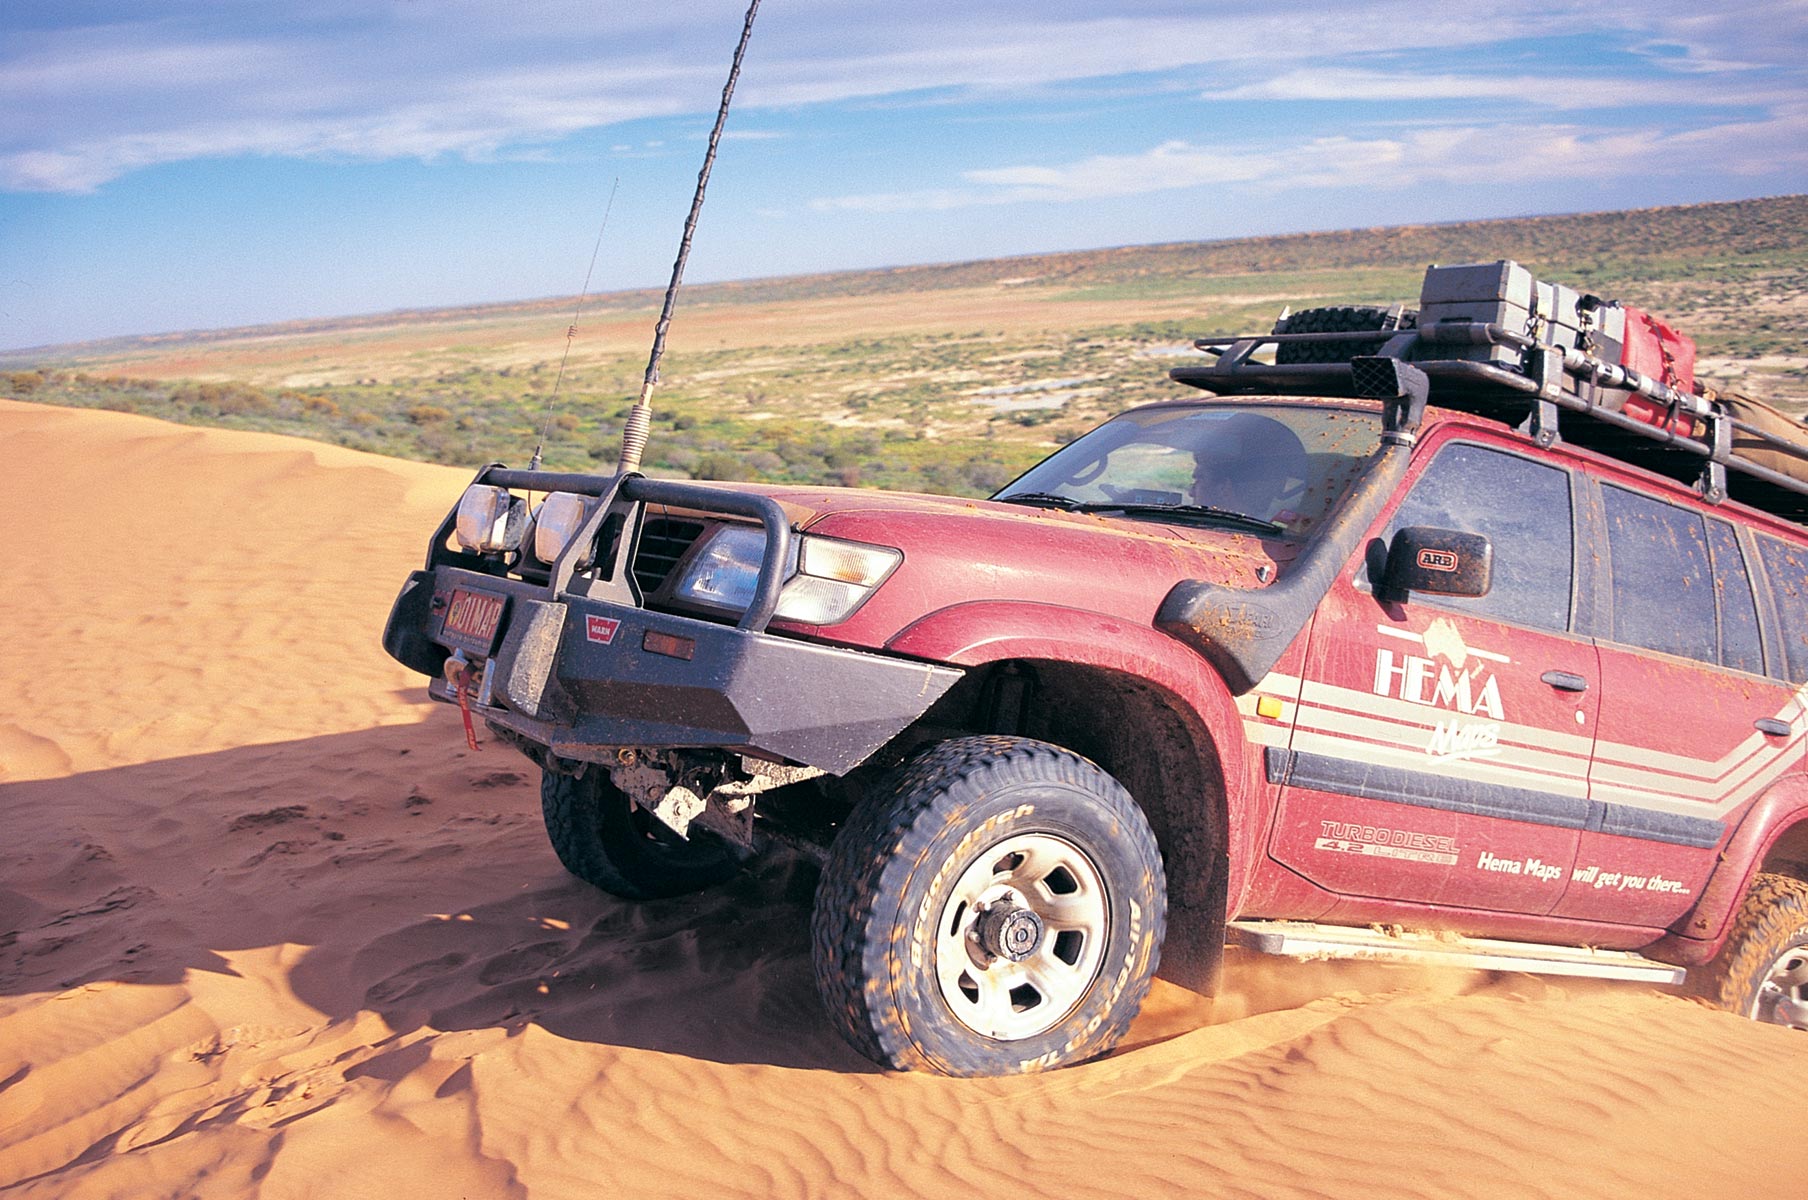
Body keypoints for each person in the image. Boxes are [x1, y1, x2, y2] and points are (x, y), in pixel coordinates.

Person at [1190, 412, 1308, 522]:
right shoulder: (1281, 533)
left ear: (1224, 488)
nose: (1191, 492)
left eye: (1199, 479)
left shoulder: (1213, 534)